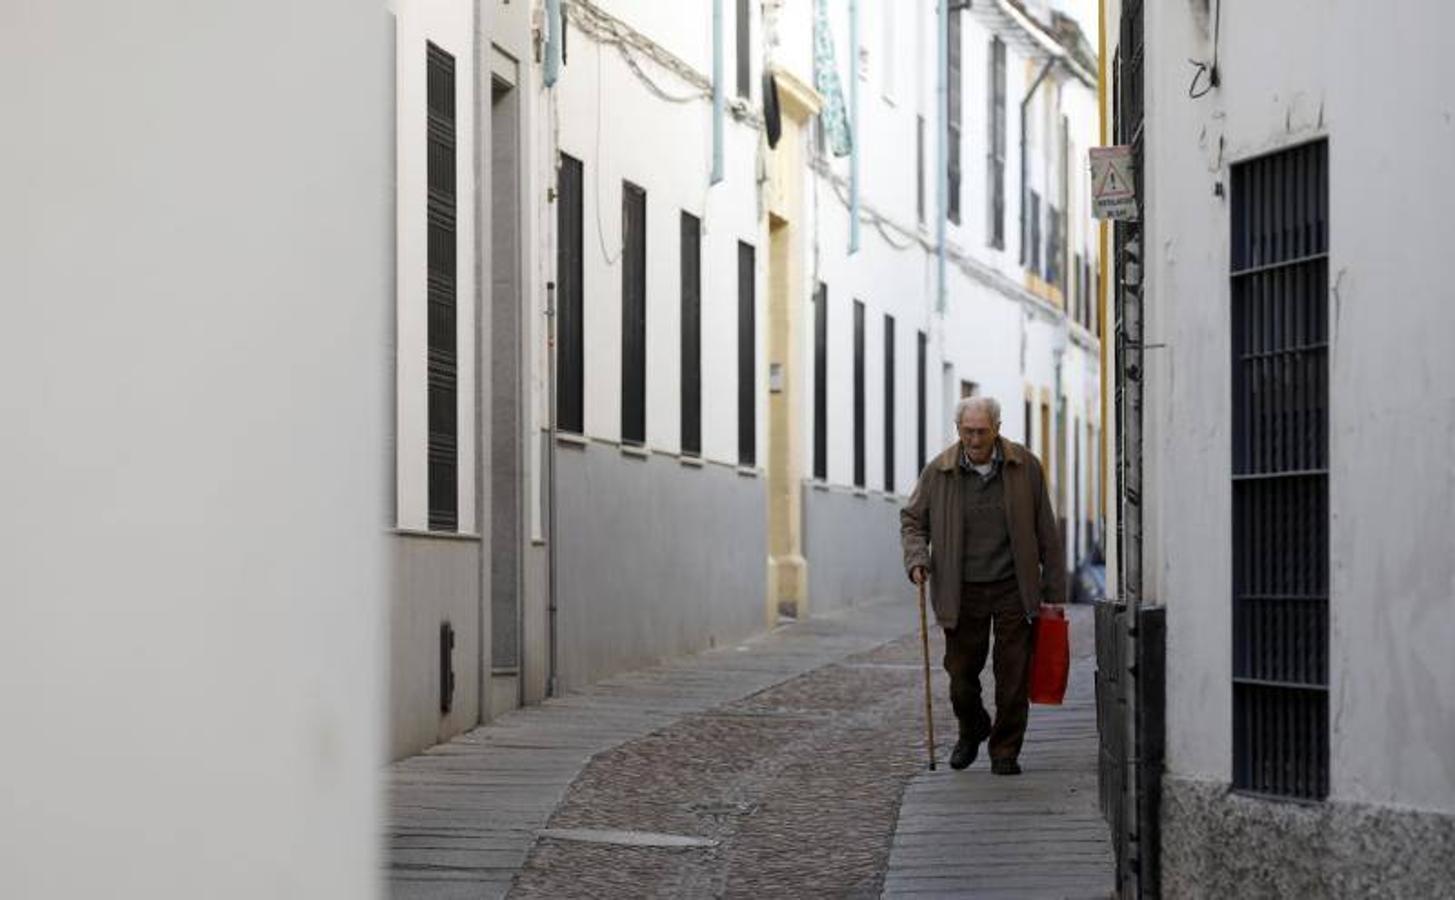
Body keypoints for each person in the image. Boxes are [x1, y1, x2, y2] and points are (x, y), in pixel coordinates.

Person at [900, 396, 1064, 774]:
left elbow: (1046, 531)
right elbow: (912, 521)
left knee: (1012, 675)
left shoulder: (1024, 467)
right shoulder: (938, 472)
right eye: (968, 432)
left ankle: (1005, 750)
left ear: (997, 429)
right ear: (958, 430)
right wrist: (917, 560)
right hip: (961, 590)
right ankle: (972, 727)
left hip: (1013, 587)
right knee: (960, 675)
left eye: (982, 432)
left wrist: (1053, 592)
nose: (974, 440)